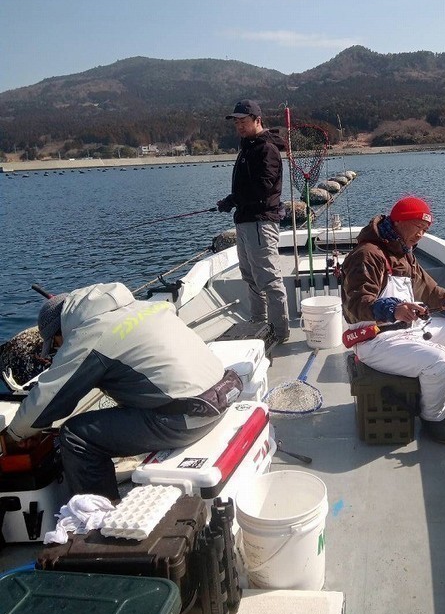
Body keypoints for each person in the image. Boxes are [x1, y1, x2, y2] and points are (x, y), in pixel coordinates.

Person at [0, 283, 238, 502]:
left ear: (61, 331)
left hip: (187, 417)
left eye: (55, 345)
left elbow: (48, 400)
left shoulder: (91, 336)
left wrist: (12, 435)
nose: (57, 351)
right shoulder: (145, 307)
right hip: (222, 394)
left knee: (75, 435)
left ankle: (96, 518)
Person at [341, 196, 445, 444]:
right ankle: (433, 418)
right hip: (376, 339)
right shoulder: (367, 255)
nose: (421, 235)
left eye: (425, 230)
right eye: (418, 227)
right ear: (400, 222)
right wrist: (393, 309)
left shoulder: (405, 253)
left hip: (409, 329)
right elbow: (355, 305)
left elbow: (430, 291)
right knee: (441, 361)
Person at [217, 99, 290, 343]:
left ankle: (280, 333)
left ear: (257, 120)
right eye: (236, 121)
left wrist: (233, 199)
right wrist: (233, 201)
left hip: (261, 222)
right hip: (246, 221)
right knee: (250, 278)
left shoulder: (266, 149)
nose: (239, 125)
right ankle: (259, 325)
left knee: (269, 280)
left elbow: (264, 187)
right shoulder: (247, 147)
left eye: (243, 120)